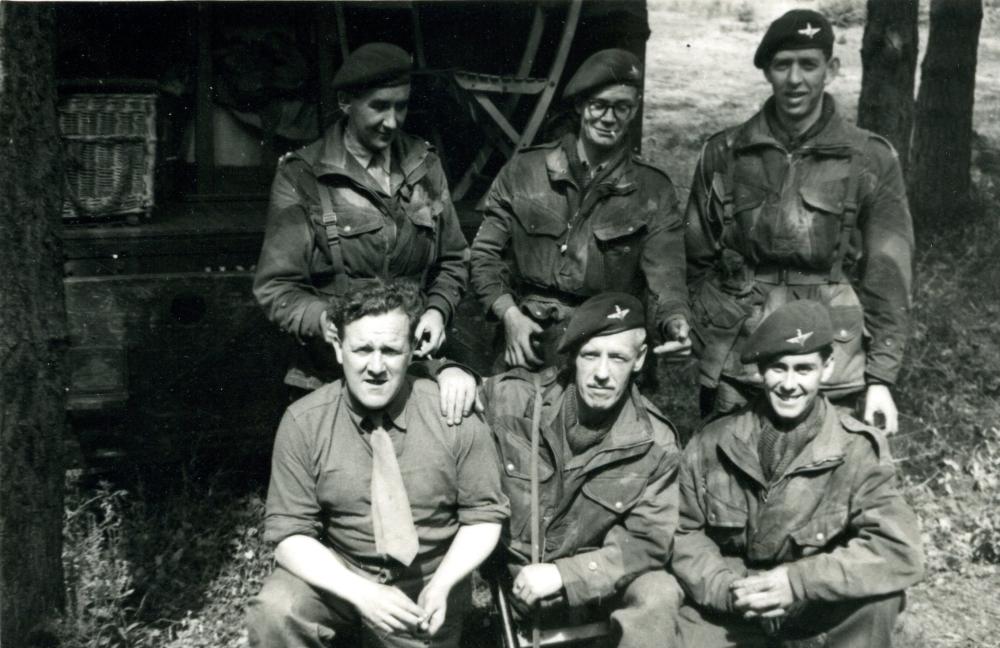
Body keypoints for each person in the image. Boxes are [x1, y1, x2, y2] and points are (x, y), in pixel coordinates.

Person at [663, 300, 924, 648]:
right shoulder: (713, 441)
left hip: (808, 602)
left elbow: (899, 550)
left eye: (804, 368)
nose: (789, 383)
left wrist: (797, 582)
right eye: (777, 368)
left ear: (827, 367)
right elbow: (681, 529)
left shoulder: (856, 447)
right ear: (760, 371)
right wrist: (725, 586)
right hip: (735, 598)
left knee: (883, 592)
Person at [440, 292, 683, 648]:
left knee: (659, 589)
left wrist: (566, 576)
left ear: (640, 360)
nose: (601, 372)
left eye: (617, 358)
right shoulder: (514, 399)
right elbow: (443, 405)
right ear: (571, 356)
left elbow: (647, 539)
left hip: (592, 575)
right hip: (509, 562)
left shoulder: (655, 441)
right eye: (590, 355)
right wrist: (448, 371)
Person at [247, 280, 509, 648]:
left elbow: (484, 517)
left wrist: (446, 583)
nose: (375, 366)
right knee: (279, 606)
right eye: (362, 348)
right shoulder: (305, 421)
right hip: (343, 574)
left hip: (424, 583)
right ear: (338, 348)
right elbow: (290, 535)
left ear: (413, 351)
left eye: (390, 350)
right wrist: (362, 593)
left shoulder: (455, 415)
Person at [683, 9, 914, 433]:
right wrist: (708, 336)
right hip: (740, 358)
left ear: (832, 69)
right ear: (767, 72)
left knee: (821, 482)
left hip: (830, 364)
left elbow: (889, 273)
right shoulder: (725, 152)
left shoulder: (870, 158)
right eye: (782, 65)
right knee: (727, 478)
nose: (794, 80)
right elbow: (695, 258)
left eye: (808, 64)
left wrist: (881, 378)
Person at [253, 42, 470, 394]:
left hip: (410, 368)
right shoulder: (304, 176)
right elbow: (276, 288)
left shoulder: (424, 165)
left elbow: (454, 259)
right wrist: (323, 320)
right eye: (379, 107)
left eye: (401, 106)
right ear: (345, 103)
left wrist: (437, 310)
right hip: (330, 374)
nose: (392, 121)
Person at [471, 48, 690, 372]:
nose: (609, 118)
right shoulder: (524, 170)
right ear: (579, 105)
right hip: (531, 338)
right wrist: (509, 315)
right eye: (599, 105)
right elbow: (484, 255)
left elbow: (667, 275)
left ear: (635, 110)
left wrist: (675, 320)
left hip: (608, 337)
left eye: (622, 107)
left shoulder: (652, 190)